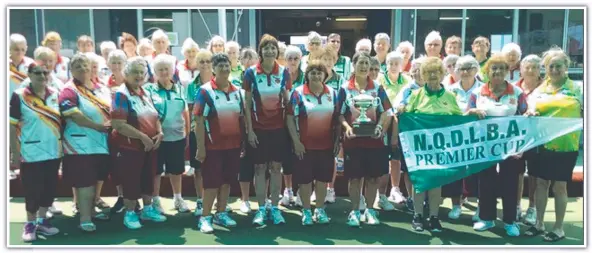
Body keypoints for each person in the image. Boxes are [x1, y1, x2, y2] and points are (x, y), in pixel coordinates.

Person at [524, 48, 582, 242]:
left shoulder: (578, 89)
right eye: (551, 66)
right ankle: (539, 224)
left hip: (566, 146)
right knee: (540, 184)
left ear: (567, 67)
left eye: (559, 66)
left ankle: (558, 228)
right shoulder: (539, 90)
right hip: (541, 145)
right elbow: (531, 109)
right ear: (545, 69)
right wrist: (530, 113)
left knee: (559, 187)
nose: (555, 70)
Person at [466, 54, 527, 237]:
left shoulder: (517, 92)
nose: (498, 72)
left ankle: (510, 221)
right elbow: (466, 114)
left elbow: (526, 115)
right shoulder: (477, 93)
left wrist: (522, 142)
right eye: (494, 68)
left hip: (511, 146)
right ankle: (486, 218)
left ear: (508, 71)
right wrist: (472, 111)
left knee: (510, 181)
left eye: (502, 68)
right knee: (486, 181)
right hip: (485, 145)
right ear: (487, 71)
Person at [404, 57, 462, 233]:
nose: (433, 75)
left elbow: (459, 119)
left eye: (436, 72)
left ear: (442, 73)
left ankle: (434, 217)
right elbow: (407, 116)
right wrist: (401, 110)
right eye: (428, 72)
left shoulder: (450, 96)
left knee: (436, 182)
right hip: (420, 147)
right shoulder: (416, 95)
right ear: (423, 75)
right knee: (420, 183)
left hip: (441, 147)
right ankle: (418, 215)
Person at [111, 56, 167, 230]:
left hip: (149, 147)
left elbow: (155, 116)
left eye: (142, 72)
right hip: (130, 147)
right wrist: (142, 137)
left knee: (147, 179)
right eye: (135, 72)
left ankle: (148, 210)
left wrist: (160, 133)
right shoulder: (121, 94)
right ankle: (130, 213)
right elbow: (118, 125)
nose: (139, 75)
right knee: (131, 180)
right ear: (126, 73)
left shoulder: (145, 91)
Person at [337, 51, 392, 227]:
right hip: (353, 141)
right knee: (354, 178)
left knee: (373, 178)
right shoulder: (345, 88)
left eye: (366, 64)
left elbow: (385, 112)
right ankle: (354, 211)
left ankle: (370, 210)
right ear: (354, 65)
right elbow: (339, 115)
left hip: (374, 141)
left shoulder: (378, 87)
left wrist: (379, 127)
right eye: (360, 63)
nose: (363, 67)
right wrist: (347, 128)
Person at [58, 53, 112, 232]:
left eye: (85, 65)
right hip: (79, 145)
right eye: (78, 66)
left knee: (97, 179)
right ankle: (85, 218)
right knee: (84, 182)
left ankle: (93, 211)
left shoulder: (102, 88)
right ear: (71, 70)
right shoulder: (69, 89)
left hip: (101, 143)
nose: (83, 68)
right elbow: (73, 115)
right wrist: (97, 126)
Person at [243, 34, 292, 226]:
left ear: (277, 51)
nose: (270, 51)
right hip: (258, 129)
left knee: (276, 168)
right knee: (259, 168)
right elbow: (246, 105)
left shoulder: (284, 72)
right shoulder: (250, 73)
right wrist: (250, 130)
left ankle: (275, 207)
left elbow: (287, 101)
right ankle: (262, 208)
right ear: (260, 51)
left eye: (273, 47)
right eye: (266, 48)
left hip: (278, 129)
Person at [10, 62, 62, 242]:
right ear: (29, 75)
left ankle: (42, 221)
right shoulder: (19, 96)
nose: (42, 76)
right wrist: (14, 153)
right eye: (37, 73)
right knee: (32, 189)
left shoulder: (55, 94)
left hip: (53, 151)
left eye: (45, 73)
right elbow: (11, 127)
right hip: (30, 152)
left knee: (49, 187)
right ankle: (30, 223)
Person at [193, 53, 244, 233]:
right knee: (211, 183)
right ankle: (205, 217)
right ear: (213, 69)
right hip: (212, 147)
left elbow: (241, 119)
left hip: (233, 146)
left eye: (226, 65)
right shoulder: (205, 91)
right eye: (220, 65)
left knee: (227, 181)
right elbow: (198, 121)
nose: (224, 68)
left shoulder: (237, 91)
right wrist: (200, 148)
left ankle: (221, 213)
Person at [286, 60, 338, 226]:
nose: (316, 76)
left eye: (319, 73)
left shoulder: (334, 93)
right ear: (307, 75)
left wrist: (337, 141)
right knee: (305, 180)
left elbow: (338, 120)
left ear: (325, 76)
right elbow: (289, 118)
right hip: (304, 146)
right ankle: (307, 211)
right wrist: (296, 142)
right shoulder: (298, 93)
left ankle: (320, 210)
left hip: (327, 146)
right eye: (313, 72)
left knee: (323, 179)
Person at [146, 54, 191, 214]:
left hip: (177, 136)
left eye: (167, 69)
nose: (164, 72)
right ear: (155, 72)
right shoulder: (148, 90)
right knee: (156, 171)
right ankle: (155, 200)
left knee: (176, 170)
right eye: (160, 70)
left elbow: (185, 112)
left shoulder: (179, 88)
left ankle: (178, 198)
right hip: (157, 138)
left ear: (172, 70)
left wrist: (186, 134)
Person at [444, 55, 483, 220]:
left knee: (479, 174)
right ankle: (456, 205)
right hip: (456, 139)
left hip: (479, 139)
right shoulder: (449, 90)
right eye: (461, 68)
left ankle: (482, 208)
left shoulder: (484, 89)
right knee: (456, 173)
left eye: (469, 68)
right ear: (456, 71)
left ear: (476, 70)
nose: (465, 72)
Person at [376, 51, 411, 210]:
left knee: (396, 156)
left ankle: (395, 189)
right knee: (382, 157)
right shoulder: (380, 80)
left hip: (401, 123)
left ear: (402, 65)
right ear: (386, 65)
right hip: (383, 122)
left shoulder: (408, 81)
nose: (394, 66)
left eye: (397, 63)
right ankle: (379, 193)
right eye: (391, 63)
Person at [392, 56, 426, 212]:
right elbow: (397, 109)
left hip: (428, 137)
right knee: (409, 169)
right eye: (416, 69)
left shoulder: (434, 88)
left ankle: (424, 199)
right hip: (409, 136)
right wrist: (401, 108)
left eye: (422, 69)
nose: (419, 72)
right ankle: (412, 198)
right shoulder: (407, 89)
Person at [513, 54, 543, 226]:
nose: (530, 70)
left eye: (534, 67)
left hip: (538, 138)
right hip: (517, 138)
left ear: (540, 70)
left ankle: (532, 208)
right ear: (520, 69)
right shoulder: (513, 87)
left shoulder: (546, 88)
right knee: (516, 173)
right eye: (527, 67)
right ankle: (516, 206)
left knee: (534, 174)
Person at [186, 49, 214, 216]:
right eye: (201, 61)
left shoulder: (219, 82)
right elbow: (190, 110)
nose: (205, 64)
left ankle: (215, 202)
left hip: (216, 132)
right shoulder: (191, 85)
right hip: (198, 131)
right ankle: (200, 201)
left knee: (214, 167)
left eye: (208, 61)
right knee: (198, 168)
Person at [103, 49, 129, 214]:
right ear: (108, 64)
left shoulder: (129, 81)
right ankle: (121, 196)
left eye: (119, 62)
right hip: (110, 129)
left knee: (129, 164)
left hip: (128, 128)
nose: (116, 66)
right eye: (113, 62)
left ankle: (132, 198)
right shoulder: (104, 83)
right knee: (115, 165)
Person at [278, 45, 305, 207]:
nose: (293, 61)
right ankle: (288, 191)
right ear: (285, 60)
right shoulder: (281, 76)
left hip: (303, 124)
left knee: (302, 160)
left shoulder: (306, 77)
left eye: (296, 58)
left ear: (300, 59)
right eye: (290, 58)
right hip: (282, 123)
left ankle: (302, 192)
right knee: (286, 160)